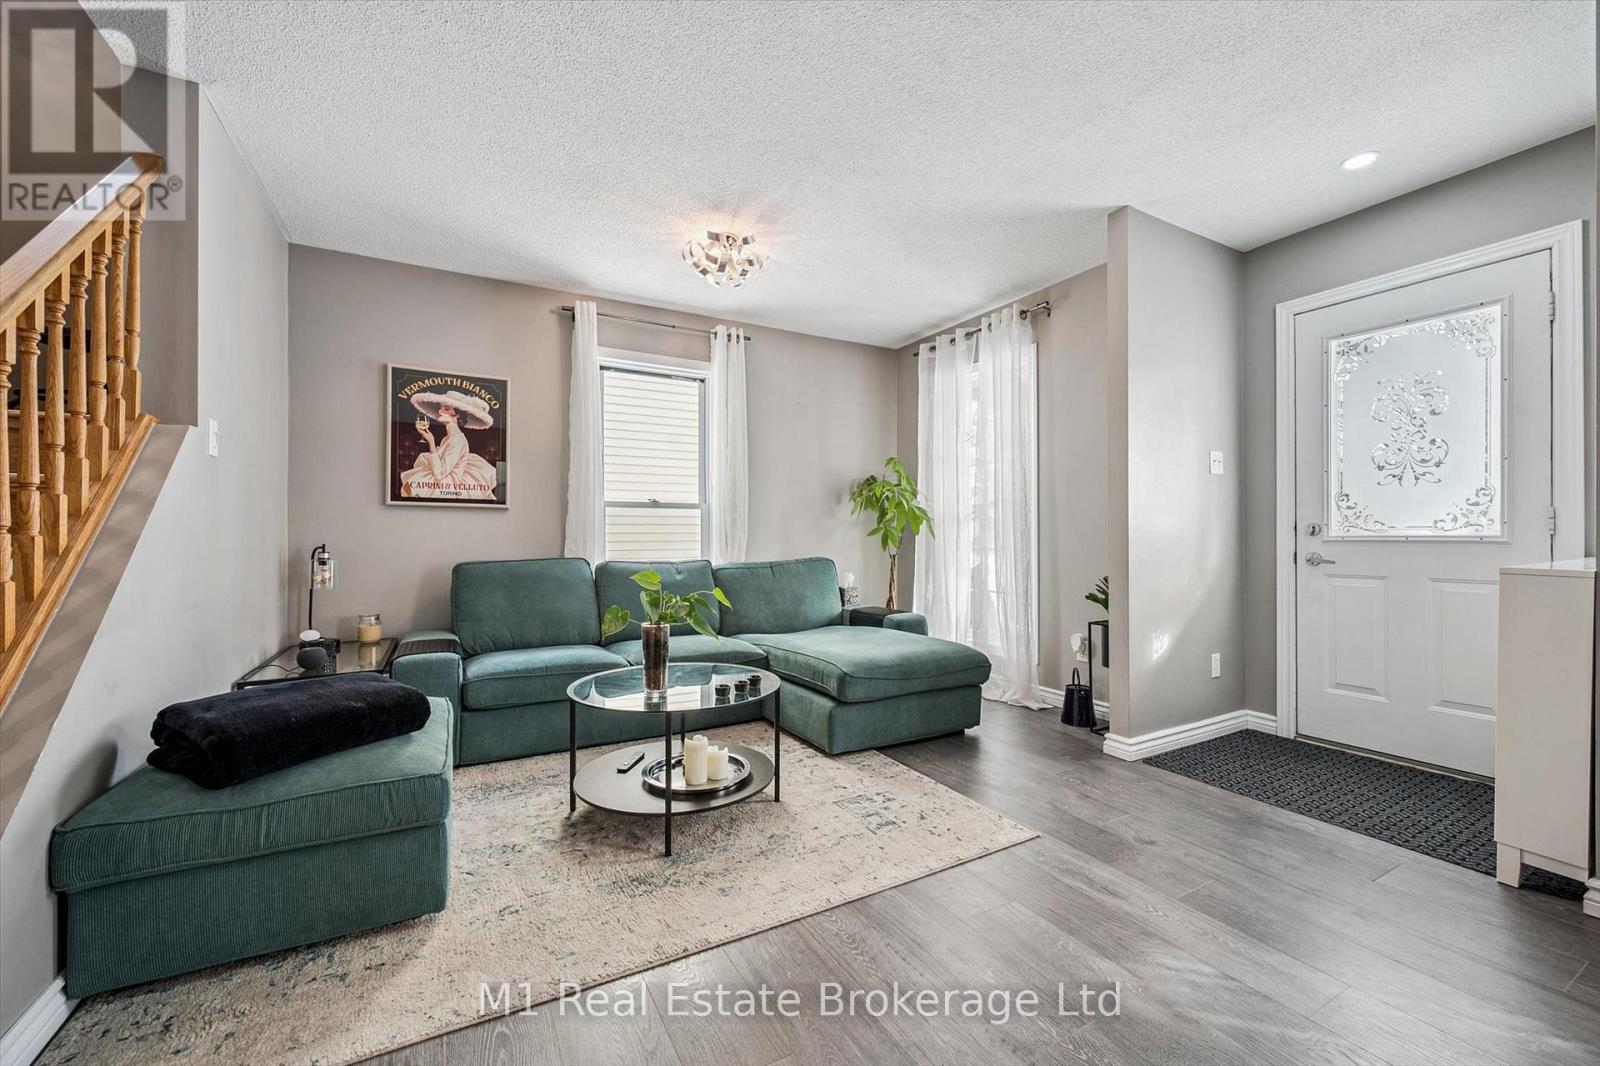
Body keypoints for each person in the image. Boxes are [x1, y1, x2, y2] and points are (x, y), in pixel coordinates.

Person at [399, 389, 498, 501]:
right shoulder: (449, 437)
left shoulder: (457, 440)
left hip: (450, 483)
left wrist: (431, 441)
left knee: (412, 487)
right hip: (444, 478)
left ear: (457, 416)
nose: (440, 411)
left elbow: (440, 473)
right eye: (441, 407)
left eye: (446, 409)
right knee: (409, 487)